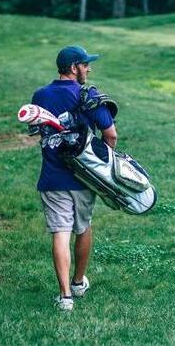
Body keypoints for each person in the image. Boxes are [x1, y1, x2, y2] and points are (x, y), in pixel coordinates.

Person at [31, 45, 117, 311]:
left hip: (52, 178)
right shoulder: (86, 94)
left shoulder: (40, 95)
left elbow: (35, 129)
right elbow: (110, 133)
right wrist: (103, 165)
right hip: (83, 178)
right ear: (73, 68)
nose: (88, 69)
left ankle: (65, 296)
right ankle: (78, 282)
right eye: (85, 64)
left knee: (60, 232)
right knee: (83, 227)